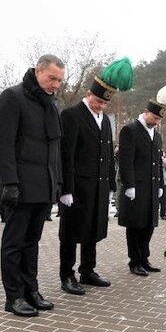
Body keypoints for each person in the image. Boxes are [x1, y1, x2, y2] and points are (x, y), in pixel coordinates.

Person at [0, 54, 65, 317]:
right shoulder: (12, 97)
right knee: (14, 243)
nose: (56, 84)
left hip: (42, 187)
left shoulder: (50, 104)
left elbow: (54, 148)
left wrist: (56, 182)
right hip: (19, 187)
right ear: (38, 71)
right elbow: (4, 144)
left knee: (32, 242)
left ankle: (30, 290)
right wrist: (10, 183)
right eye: (52, 78)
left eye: (59, 80)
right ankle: (13, 297)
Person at [59, 58, 132, 295]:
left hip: (98, 186)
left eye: (104, 103)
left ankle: (87, 270)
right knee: (71, 232)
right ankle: (67, 274)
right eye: (98, 100)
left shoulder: (105, 122)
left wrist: (110, 182)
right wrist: (66, 189)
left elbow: (108, 155)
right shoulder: (72, 114)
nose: (101, 106)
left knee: (92, 229)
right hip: (77, 186)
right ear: (89, 94)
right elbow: (66, 154)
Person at [118, 81, 166, 276]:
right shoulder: (130, 130)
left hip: (152, 187)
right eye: (154, 117)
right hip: (136, 187)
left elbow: (159, 162)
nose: (156, 122)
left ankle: (144, 258)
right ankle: (134, 261)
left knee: (149, 225)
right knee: (135, 225)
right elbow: (126, 160)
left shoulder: (157, 135)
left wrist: (160, 184)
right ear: (146, 112)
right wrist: (129, 185)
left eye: (159, 120)